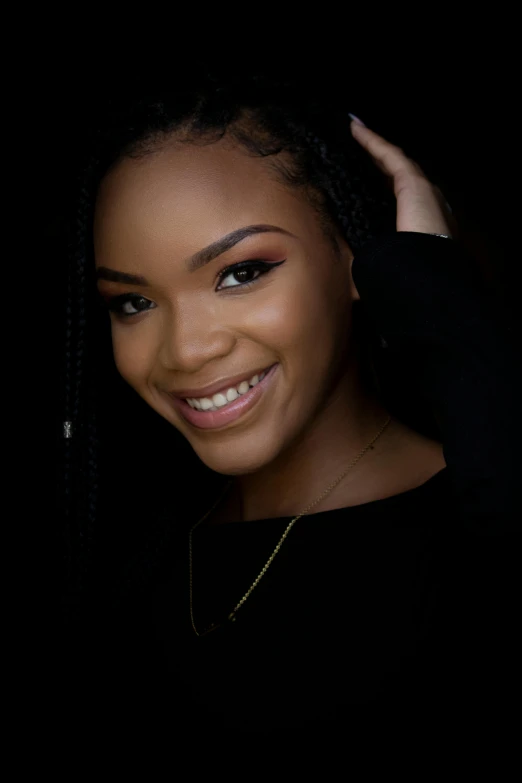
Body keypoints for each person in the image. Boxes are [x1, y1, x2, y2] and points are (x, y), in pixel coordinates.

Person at [59, 74, 520, 734]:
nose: (186, 351)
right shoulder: (136, 557)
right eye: (134, 302)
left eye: (241, 272)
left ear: (358, 252)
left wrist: (439, 304)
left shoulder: (480, 526)